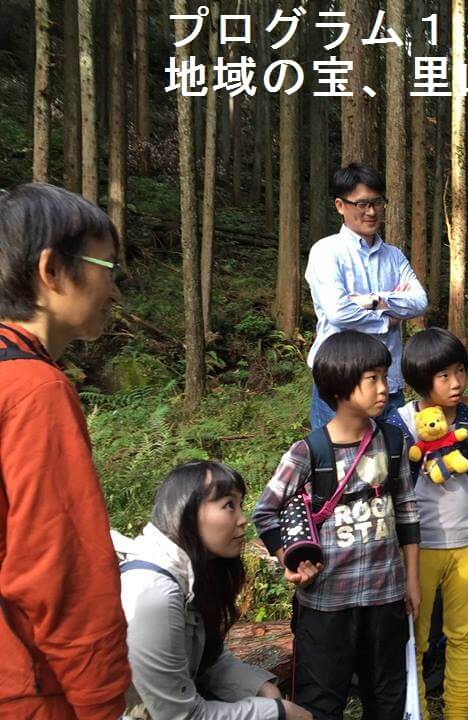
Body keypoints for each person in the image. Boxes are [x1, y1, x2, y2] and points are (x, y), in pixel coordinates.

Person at [0, 183, 131, 719]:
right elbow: (62, 573)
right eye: (108, 269)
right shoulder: (35, 391)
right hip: (29, 687)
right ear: (52, 270)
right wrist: (102, 699)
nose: (116, 293)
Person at [254, 330, 421, 720]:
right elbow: (265, 511)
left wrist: (411, 579)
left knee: (386, 698)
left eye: (385, 376)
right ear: (342, 386)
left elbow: (408, 512)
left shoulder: (394, 441)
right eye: (373, 379)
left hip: (384, 599)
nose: (385, 387)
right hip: (327, 605)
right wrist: (289, 558)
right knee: (321, 702)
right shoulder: (308, 451)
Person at [119, 461, 311, 720]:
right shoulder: (153, 594)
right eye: (228, 505)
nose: (243, 520)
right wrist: (277, 712)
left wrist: (256, 685)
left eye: (240, 505)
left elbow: (207, 656)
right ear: (185, 511)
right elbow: (180, 716)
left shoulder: (191, 572)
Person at [387, 327, 468, 720]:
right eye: (443, 376)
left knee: (462, 633)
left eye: (460, 371)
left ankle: (458, 711)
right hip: (418, 549)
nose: (456, 384)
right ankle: (416, 711)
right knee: (415, 641)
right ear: (421, 381)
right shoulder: (399, 425)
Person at [305, 163, 428, 430]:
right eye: (361, 204)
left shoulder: (394, 257)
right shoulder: (326, 252)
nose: (371, 212)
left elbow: (419, 301)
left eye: (377, 202)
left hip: (388, 384)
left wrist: (372, 300)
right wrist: (387, 319)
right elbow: (338, 312)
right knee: (337, 467)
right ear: (340, 205)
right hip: (339, 384)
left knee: (392, 465)